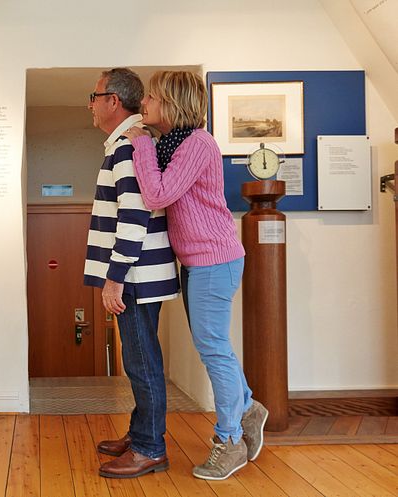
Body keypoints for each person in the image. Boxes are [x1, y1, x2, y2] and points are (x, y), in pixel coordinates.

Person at [123, 70, 269, 481]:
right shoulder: (175, 144)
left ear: (170, 103)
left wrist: (142, 145)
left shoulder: (196, 144)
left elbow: (157, 194)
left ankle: (230, 440)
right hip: (197, 262)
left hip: (213, 260)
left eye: (151, 97)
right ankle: (247, 408)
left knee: (213, 349)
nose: (144, 104)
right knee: (214, 345)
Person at [83, 68, 180, 479]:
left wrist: (114, 277)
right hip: (139, 273)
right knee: (141, 359)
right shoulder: (128, 144)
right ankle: (142, 432)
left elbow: (135, 217)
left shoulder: (127, 146)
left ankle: (149, 448)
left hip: (135, 276)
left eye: (95, 94)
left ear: (113, 101)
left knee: (141, 363)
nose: (90, 103)